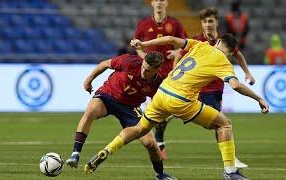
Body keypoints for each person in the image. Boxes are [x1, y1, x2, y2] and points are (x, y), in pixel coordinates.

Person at [84, 34, 269, 180]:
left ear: (218, 41)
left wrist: (144, 44)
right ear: (230, 52)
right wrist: (259, 98)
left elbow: (171, 40)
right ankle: (230, 171)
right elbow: (235, 85)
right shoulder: (224, 61)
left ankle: (107, 149)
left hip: (163, 91)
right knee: (224, 124)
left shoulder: (201, 44)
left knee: (140, 128)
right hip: (181, 99)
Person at [156, 7, 255, 167]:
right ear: (201, 24)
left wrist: (247, 73)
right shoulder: (197, 40)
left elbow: (238, 54)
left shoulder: (225, 42)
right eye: (204, 21)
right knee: (221, 122)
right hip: (195, 88)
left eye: (210, 21)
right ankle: (160, 136)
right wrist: (174, 71)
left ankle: (229, 158)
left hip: (214, 88)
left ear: (216, 22)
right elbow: (180, 56)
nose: (208, 24)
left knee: (218, 123)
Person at [65, 52, 176, 180]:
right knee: (90, 111)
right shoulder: (129, 61)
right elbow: (104, 64)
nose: (144, 72)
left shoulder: (159, 83)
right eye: (143, 67)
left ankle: (160, 175)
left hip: (130, 108)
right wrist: (89, 80)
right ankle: (75, 154)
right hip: (108, 95)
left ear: (157, 69)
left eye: (148, 71)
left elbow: (160, 102)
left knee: (150, 143)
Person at [133, 0, 187, 159]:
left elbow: (184, 45)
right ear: (152, 3)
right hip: (151, 75)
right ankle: (156, 141)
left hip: (170, 74)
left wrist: (177, 53)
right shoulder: (143, 24)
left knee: (168, 110)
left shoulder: (175, 24)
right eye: (156, 0)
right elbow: (138, 48)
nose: (159, 3)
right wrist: (145, 59)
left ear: (167, 3)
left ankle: (157, 139)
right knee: (158, 110)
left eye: (162, 0)